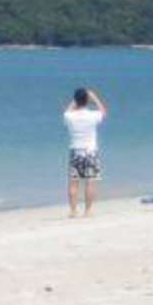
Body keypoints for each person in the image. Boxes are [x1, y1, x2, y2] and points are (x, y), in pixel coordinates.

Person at [63, 87, 106, 217]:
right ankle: (88, 211)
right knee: (90, 181)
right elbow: (103, 111)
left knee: (73, 182)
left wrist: (75, 100)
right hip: (90, 151)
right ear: (87, 101)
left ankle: (73, 210)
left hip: (76, 151)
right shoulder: (93, 115)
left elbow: (67, 111)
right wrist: (94, 97)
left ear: (75, 100)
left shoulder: (69, 117)